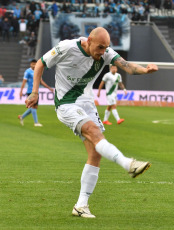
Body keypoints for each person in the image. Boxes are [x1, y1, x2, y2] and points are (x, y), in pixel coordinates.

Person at [25, 27, 158, 218]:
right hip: (66, 103)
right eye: (100, 47)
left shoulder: (106, 53)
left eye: (106, 48)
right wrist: (35, 92)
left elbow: (126, 65)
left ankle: (81, 206)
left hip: (87, 103)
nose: (103, 52)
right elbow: (40, 64)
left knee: (95, 153)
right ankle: (128, 164)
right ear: (89, 40)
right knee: (94, 131)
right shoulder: (66, 48)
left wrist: (145, 70)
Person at [18, 59, 54, 127]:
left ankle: (22, 116)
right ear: (30, 64)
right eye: (32, 64)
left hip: (36, 91)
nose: (34, 65)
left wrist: (49, 88)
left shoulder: (37, 71)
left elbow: (41, 81)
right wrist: (21, 91)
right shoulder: (28, 71)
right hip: (30, 91)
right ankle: (36, 122)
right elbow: (24, 82)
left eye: (35, 63)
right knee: (33, 107)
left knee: (34, 107)